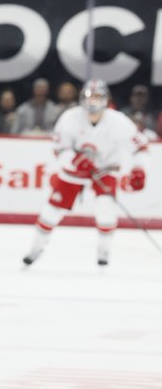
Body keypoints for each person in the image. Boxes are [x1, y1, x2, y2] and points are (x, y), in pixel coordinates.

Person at [22, 79, 148, 268]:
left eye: (97, 96)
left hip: (105, 168)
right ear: (82, 97)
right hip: (74, 172)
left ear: (106, 99)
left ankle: (104, 253)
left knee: (105, 209)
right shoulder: (70, 117)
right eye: (89, 96)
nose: (92, 101)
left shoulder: (118, 121)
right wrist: (73, 159)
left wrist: (139, 170)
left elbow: (141, 147)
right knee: (51, 211)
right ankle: (35, 249)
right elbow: (59, 149)